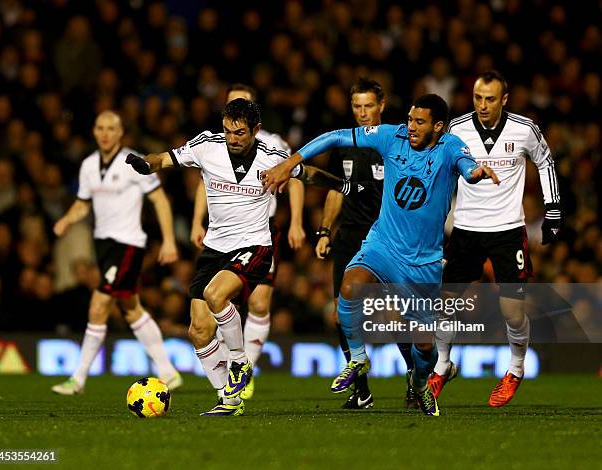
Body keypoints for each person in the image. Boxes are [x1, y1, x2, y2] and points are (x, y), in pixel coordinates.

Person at [262, 94, 500, 416]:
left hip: (423, 262)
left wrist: (477, 173)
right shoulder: (393, 136)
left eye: (420, 122)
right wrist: (289, 164)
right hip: (383, 244)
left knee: (425, 346)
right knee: (349, 288)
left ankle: (418, 385)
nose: (411, 127)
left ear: (438, 127)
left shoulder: (450, 147)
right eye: (411, 119)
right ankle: (359, 360)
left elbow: (467, 168)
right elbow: (336, 137)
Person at [127, 98, 346, 416]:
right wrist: (146, 165)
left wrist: (346, 186)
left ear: (256, 130)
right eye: (228, 131)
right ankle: (228, 400)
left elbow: (307, 174)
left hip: (255, 246)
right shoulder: (206, 146)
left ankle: (240, 363)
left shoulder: (273, 157)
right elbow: (164, 158)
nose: (233, 138)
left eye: (240, 132)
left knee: (215, 295)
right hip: (214, 248)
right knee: (198, 330)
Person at [428, 70, 562, 407]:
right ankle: (443, 366)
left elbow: (545, 162)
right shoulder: (455, 130)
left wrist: (553, 210)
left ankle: (516, 369)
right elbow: (437, 171)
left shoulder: (525, 129)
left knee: (513, 313)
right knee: (445, 304)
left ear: (504, 99)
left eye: (490, 99)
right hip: (466, 229)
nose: (483, 105)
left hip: (507, 231)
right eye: (477, 98)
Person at [52, 111, 181, 395]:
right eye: (100, 128)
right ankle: (168, 371)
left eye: (111, 128)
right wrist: (67, 219)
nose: (105, 133)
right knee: (131, 308)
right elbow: (83, 204)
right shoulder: (88, 165)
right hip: (104, 245)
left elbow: (159, 199)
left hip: (128, 244)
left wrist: (169, 240)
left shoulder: (135, 162)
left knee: (99, 305)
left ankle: (78, 379)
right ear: (94, 132)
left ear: (121, 132)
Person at [191, 83, 305, 400]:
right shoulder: (214, 147)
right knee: (208, 315)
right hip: (222, 233)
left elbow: (295, 180)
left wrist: (296, 221)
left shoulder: (273, 145)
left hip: (261, 231)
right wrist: (197, 220)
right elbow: (205, 182)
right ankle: (232, 376)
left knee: (257, 302)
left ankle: (244, 369)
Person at [315, 77, 416, 410]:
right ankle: (361, 390)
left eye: (368, 106)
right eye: (356, 106)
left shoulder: (398, 142)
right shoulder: (344, 142)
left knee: (396, 316)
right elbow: (335, 189)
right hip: (350, 235)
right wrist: (325, 231)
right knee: (342, 315)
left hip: (388, 237)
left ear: (382, 106)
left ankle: (415, 377)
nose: (361, 113)